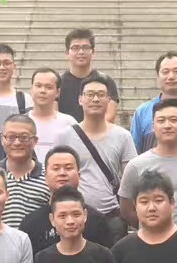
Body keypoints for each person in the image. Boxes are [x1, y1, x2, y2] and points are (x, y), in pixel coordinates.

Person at [57, 78, 135, 244]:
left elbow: (131, 179)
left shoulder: (123, 136)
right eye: (90, 94)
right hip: (75, 217)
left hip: (112, 216)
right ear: (80, 99)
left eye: (101, 95)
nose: (95, 99)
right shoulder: (64, 136)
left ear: (108, 100)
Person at [118, 99, 177, 235]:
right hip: (149, 241)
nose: (167, 125)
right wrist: (150, 228)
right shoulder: (136, 165)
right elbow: (126, 210)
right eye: (161, 121)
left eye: (173, 120)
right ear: (153, 126)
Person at [0, 114, 52, 229]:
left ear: (35, 141)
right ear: (2, 139)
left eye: (24, 137)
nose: (17, 143)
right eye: (11, 137)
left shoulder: (48, 176)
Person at [57, 27, 120, 123]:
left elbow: (109, 117)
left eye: (85, 48)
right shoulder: (58, 82)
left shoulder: (106, 81)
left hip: (98, 131)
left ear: (93, 52)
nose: (81, 52)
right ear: (67, 53)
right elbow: (54, 116)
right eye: (75, 48)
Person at [26, 68, 78, 163]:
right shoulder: (22, 122)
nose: (42, 91)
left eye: (49, 87)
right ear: (31, 89)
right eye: (38, 86)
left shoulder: (69, 123)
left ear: (57, 92)